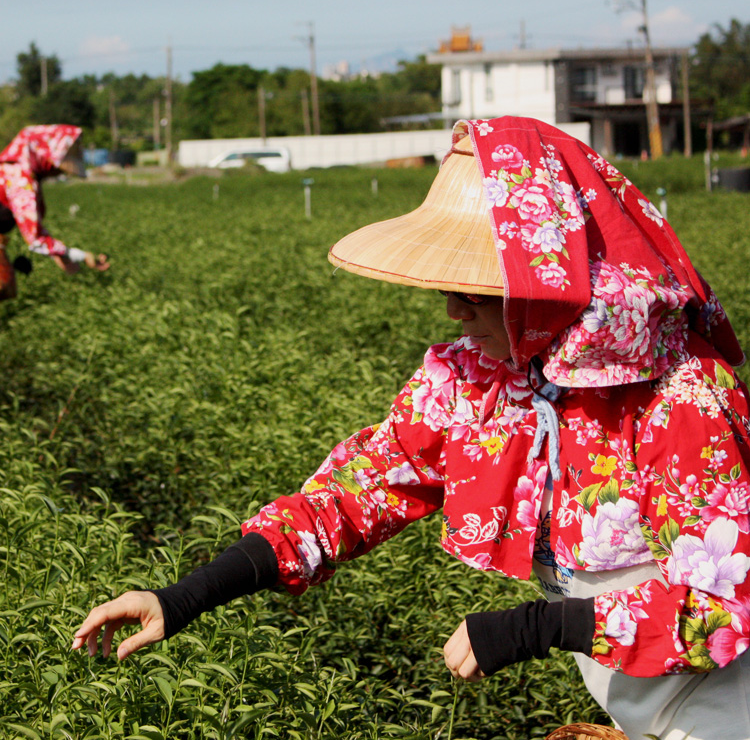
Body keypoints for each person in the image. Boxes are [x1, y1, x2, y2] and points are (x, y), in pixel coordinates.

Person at [72, 116, 750, 740]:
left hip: (725, 698)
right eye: (448, 286)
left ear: (557, 281)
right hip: (638, 695)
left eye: (479, 288)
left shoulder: (678, 400)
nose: (454, 310)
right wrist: (184, 597)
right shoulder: (474, 385)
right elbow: (355, 493)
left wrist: (541, 626)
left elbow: (727, 603)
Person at [0, 124, 110, 298]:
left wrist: (64, 256)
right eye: (56, 167)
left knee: (5, 285)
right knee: (3, 285)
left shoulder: (14, 171)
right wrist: (79, 255)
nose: (57, 173)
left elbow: (37, 231)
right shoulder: (18, 177)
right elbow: (35, 237)